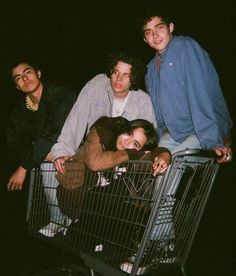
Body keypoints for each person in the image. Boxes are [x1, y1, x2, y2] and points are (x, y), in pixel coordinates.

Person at [120, 7, 233, 274]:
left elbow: (199, 93)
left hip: (199, 127)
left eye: (158, 27)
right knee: (158, 174)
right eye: (148, 32)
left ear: (170, 27)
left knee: (168, 176)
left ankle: (157, 245)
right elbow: (160, 113)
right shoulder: (149, 69)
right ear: (145, 40)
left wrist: (214, 137)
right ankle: (165, 242)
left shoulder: (184, 47)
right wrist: (159, 145)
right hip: (175, 134)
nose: (154, 34)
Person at [51, 52, 157, 175]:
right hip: (93, 153)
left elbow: (149, 140)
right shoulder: (97, 84)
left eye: (126, 75)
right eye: (116, 72)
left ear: (134, 78)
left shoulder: (143, 100)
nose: (119, 79)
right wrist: (63, 151)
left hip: (122, 164)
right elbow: (76, 118)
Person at [6, 59, 77, 237]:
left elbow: (53, 131)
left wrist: (24, 167)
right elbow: (14, 144)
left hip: (77, 145)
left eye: (27, 72)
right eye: (18, 78)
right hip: (48, 153)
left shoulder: (60, 94)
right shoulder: (20, 112)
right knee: (47, 164)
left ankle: (69, 218)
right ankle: (58, 220)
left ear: (38, 73)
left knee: (49, 161)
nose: (24, 78)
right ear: (17, 87)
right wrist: (32, 156)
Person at [54, 116, 171, 221]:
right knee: (115, 202)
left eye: (135, 144)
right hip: (74, 199)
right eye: (129, 133)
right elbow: (94, 164)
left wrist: (165, 155)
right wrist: (127, 153)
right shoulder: (104, 132)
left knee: (127, 208)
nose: (127, 141)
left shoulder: (132, 153)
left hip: (101, 208)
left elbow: (152, 154)